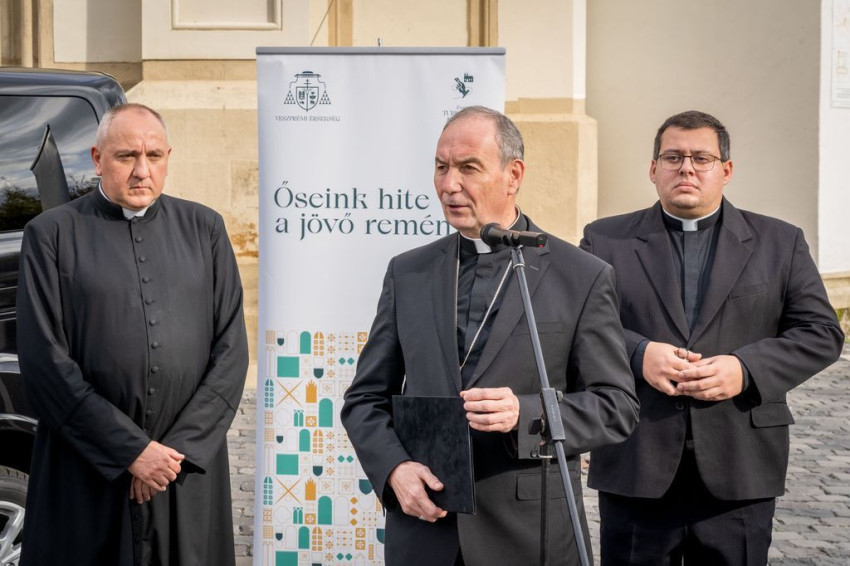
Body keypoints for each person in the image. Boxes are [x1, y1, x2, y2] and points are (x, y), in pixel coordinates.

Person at [341, 106, 639, 566]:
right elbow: (364, 399)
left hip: (529, 537)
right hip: (426, 531)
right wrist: (394, 469)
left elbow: (616, 406)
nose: (449, 184)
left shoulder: (581, 276)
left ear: (513, 174)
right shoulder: (409, 272)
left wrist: (526, 412)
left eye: (468, 168)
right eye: (441, 167)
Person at [581, 110, 845, 565]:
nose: (686, 168)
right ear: (653, 169)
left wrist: (745, 369)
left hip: (740, 467)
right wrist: (638, 354)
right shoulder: (605, 240)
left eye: (701, 158)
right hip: (637, 459)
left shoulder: (780, 242)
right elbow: (581, 325)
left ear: (726, 170)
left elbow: (821, 332)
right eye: (673, 157)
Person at [17, 103, 249, 566]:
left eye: (154, 156)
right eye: (127, 156)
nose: (143, 170)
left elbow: (231, 353)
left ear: (168, 158)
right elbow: (45, 363)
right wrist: (130, 451)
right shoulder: (50, 235)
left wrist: (170, 456)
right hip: (86, 467)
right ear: (97, 158)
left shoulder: (205, 229)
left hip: (182, 473)